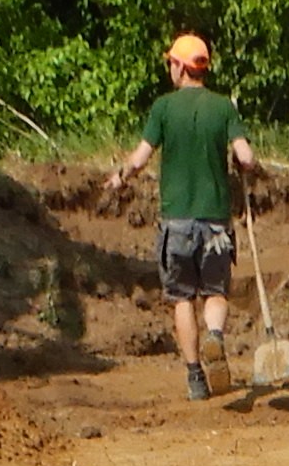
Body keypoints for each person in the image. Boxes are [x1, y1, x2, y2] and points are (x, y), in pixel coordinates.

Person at [105, 38, 258, 404]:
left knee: (182, 299)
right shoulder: (222, 107)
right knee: (215, 292)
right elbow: (247, 157)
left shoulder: (163, 108)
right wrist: (243, 167)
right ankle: (215, 336)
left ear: (181, 67)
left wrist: (120, 177)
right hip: (215, 221)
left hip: (176, 222)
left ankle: (195, 378)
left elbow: (140, 158)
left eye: (171, 63)